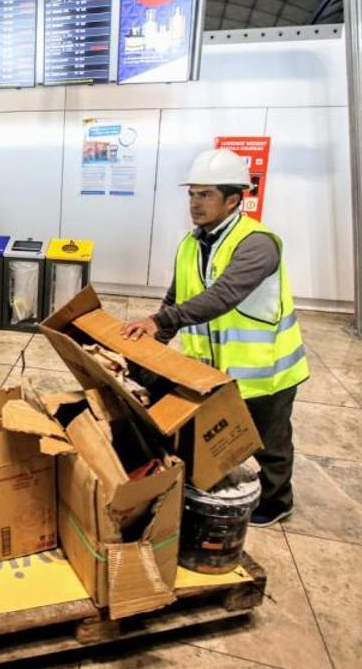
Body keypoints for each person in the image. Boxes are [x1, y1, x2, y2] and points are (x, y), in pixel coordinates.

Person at [121, 147, 309, 528]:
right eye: (191, 194)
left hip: (263, 369)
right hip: (211, 368)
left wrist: (159, 320)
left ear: (234, 199)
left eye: (205, 195)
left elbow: (222, 296)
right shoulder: (191, 243)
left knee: (269, 440)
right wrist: (148, 348)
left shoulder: (258, 243)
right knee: (212, 431)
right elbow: (177, 298)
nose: (194, 203)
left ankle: (277, 500)